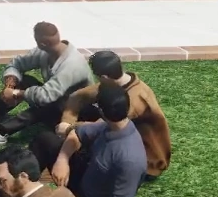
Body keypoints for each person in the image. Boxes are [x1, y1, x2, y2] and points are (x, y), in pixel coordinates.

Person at [33, 83, 149, 197]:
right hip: (84, 177)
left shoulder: (130, 159)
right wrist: (62, 160)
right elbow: (76, 134)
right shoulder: (110, 126)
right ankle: (24, 190)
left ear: (101, 111)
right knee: (45, 140)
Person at [0, 22, 92, 148]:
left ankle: (2, 132)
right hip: (58, 100)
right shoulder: (45, 51)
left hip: (76, 114)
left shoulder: (72, 64)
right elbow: (17, 64)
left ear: (42, 43)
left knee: (45, 104)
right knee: (23, 80)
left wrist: (16, 93)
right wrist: (10, 84)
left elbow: (46, 96)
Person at [56, 50, 170, 179]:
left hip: (144, 160)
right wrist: (67, 121)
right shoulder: (116, 83)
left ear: (104, 77)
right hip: (119, 134)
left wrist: (70, 129)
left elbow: (100, 128)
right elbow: (77, 97)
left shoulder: (135, 98)